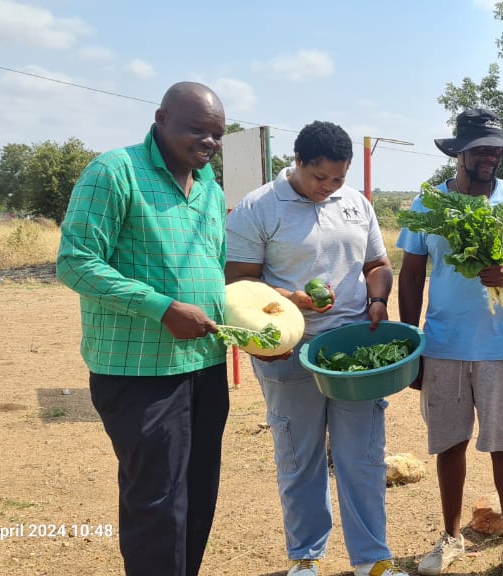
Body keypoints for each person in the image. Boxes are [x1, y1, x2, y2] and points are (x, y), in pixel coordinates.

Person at [55, 81, 228, 576]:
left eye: (216, 134)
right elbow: (75, 262)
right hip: (139, 372)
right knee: (155, 502)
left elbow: (214, 269)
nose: (209, 143)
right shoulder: (115, 171)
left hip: (205, 366)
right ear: (161, 118)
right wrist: (161, 307)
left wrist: (257, 324)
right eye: (198, 130)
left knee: (197, 493)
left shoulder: (209, 184)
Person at [224, 121, 404, 576]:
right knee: (299, 456)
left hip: (352, 352)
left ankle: (372, 560)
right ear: (298, 162)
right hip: (288, 351)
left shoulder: (356, 204)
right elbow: (237, 280)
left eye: (338, 179)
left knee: (362, 457)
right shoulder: (259, 207)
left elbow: (378, 264)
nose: (328, 187)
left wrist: (378, 299)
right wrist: (289, 301)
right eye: (319, 177)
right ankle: (305, 558)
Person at [397, 108, 503, 576]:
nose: (491, 157)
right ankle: (450, 538)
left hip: (501, 348)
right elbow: (410, 274)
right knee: (450, 445)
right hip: (442, 345)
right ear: (459, 153)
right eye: (481, 149)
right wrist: (412, 339)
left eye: (497, 150)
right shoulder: (429, 205)